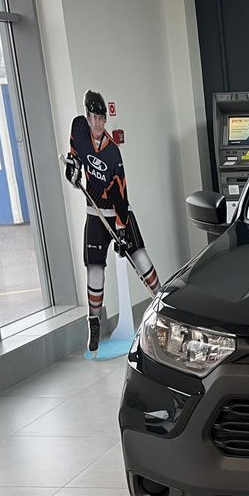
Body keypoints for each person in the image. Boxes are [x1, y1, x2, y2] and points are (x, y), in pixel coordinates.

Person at [64, 89, 159, 353]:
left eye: (101, 118)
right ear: (87, 117)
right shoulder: (78, 129)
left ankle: (161, 305)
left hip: (118, 212)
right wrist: (72, 171)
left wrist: (122, 229)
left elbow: (120, 195)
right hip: (94, 214)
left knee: (140, 257)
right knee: (95, 268)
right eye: (93, 117)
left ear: (106, 119)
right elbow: (74, 158)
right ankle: (94, 324)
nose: (97, 123)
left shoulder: (113, 153)